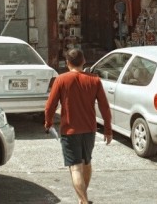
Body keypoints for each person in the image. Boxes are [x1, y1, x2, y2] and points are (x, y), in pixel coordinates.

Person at [44, 49, 112, 204]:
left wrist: (48, 123)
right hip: (89, 130)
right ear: (84, 61)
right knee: (86, 163)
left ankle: (83, 200)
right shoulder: (94, 80)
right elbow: (104, 107)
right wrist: (108, 130)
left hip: (70, 130)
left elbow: (50, 107)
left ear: (67, 63)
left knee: (75, 168)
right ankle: (83, 199)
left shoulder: (61, 80)